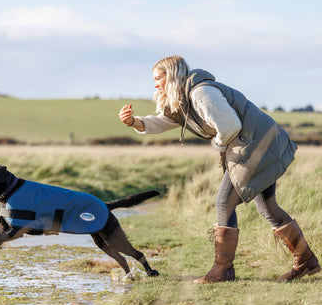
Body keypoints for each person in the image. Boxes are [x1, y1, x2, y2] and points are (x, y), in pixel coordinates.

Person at [118, 55, 320, 283]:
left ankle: (223, 270)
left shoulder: (200, 93)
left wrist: (218, 144)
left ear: (172, 76)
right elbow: (164, 121)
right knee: (267, 207)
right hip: (259, 145)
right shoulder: (184, 99)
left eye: (158, 78)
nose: (155, 84)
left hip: (255, 146)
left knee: (224, 202)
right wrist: (134, 122)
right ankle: (306, 261)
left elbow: (230, 126)